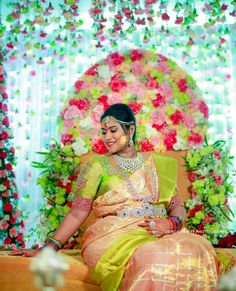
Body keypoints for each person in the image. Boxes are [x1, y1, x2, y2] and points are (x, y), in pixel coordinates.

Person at [11, 103, 221, 290]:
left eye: (113, 130)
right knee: (152, 257)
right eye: (103, 132)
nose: (107, 137)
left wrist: (172, 222)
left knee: (198, 249)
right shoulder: (95, 166)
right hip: (113, 236)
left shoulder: (158, 164)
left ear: (130, 130)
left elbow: (177, 206)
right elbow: (77, 213)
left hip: (161, 232)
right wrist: (48, 250)